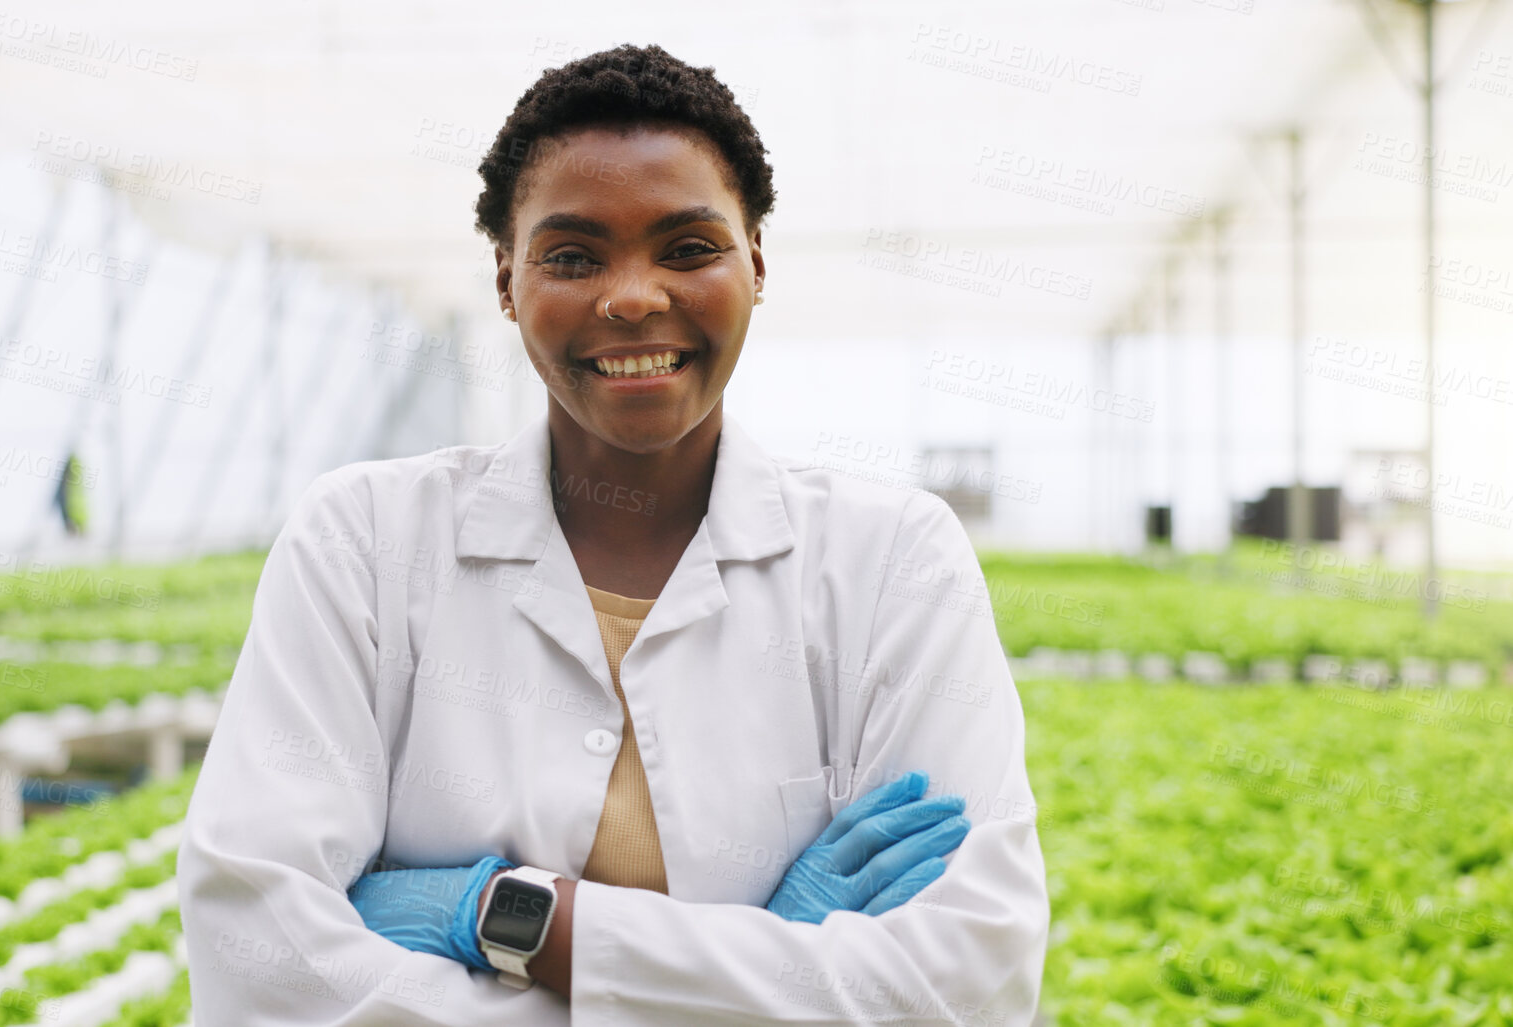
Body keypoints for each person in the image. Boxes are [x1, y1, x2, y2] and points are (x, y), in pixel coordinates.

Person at [178, 43, 1049, 1025]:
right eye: (572, 257)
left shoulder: (893, 560)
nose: (632, 296)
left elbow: (963, 984)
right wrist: (771, 965)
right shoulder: (363, 543)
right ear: (506, 281)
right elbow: (261, 961)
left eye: (688, 247)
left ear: (756, 265)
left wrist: (515, 918)